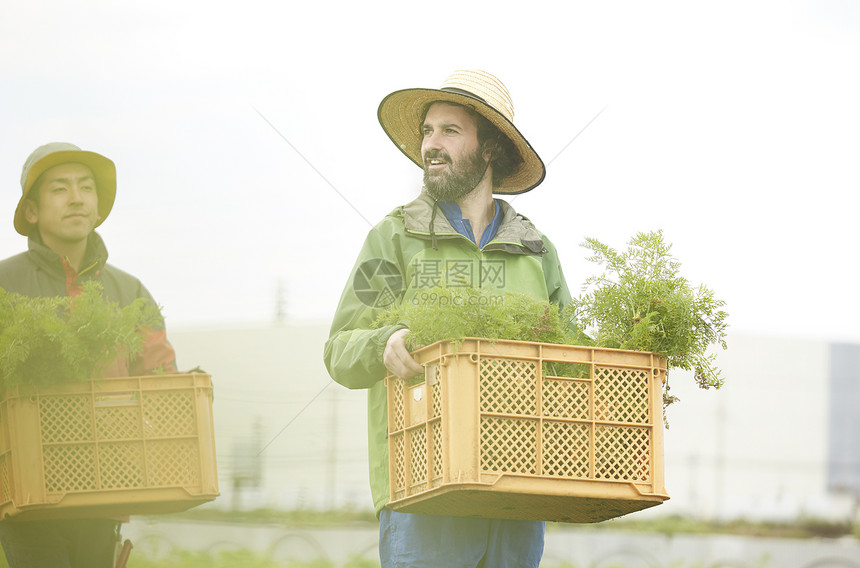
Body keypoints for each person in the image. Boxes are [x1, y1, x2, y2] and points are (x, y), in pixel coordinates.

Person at [324, 70, 572, 568]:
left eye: (450, 131)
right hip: (424, 491)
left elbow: (569, 362)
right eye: (427, 132)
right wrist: (383, 342)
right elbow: (339, 350)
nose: (431, 145)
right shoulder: (394, 238)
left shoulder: (534, 250)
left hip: (516, 492)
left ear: (490, 150)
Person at [0, 142, 177, 568]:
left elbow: (159, 379)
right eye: (60, 188)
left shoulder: (128, 292)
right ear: (32, 211)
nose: (77, 198)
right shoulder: (5, 284)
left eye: (86, 188)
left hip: (104, 491)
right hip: (27, 496)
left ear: (98, 209)